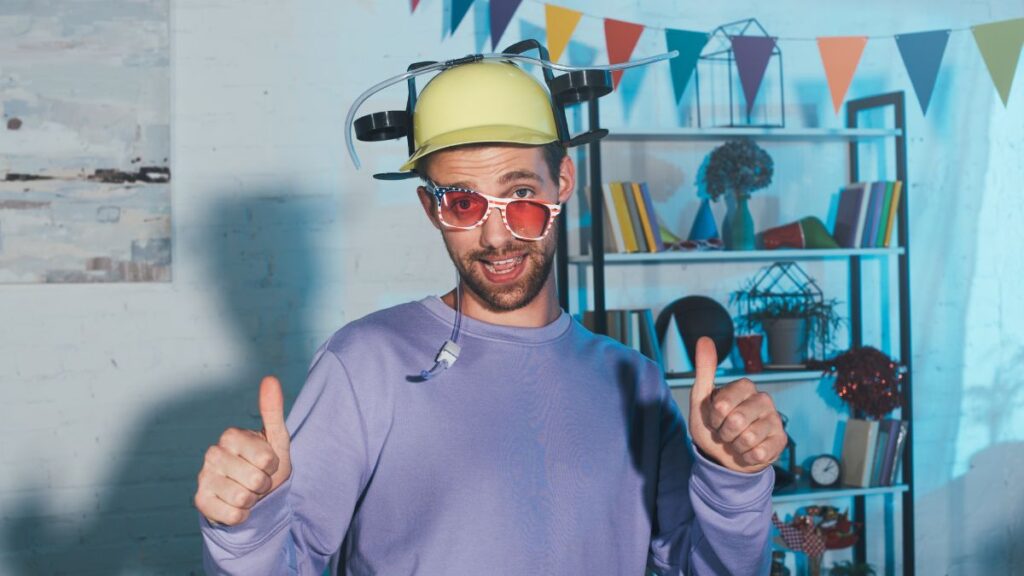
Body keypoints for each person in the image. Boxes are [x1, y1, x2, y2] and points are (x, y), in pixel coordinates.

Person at [194, 58, 787, 575]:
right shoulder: (365, 364)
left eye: (521, 195)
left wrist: (732, 483)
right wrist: (246, 530)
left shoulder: (636, 380)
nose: (496, 235)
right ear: (430, 207)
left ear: (562, 182)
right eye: (463, 201)